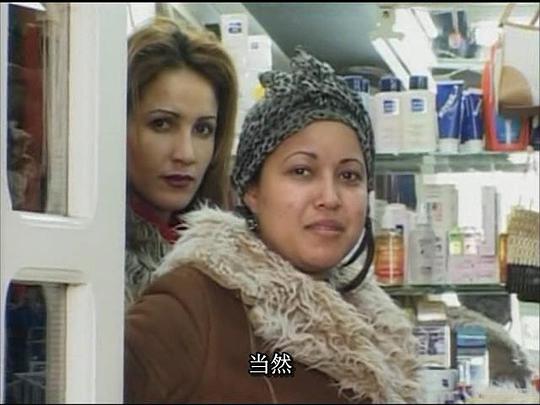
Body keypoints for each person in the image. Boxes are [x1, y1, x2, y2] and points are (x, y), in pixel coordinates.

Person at [124, 49, 422, 404]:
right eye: (302, 171)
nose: (330, 197)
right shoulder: (197, 305)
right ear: (252, 190)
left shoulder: (376, 324)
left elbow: (280, 371)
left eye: (349, 176)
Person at [124, 17, 238, 306]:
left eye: (203, 129)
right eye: (161, 124)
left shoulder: (236, 261)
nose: (186, 154)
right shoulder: (93, 262)